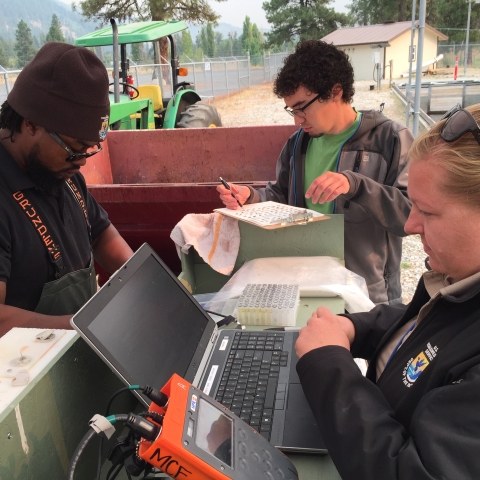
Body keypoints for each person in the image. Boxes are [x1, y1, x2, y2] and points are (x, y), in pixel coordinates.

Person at [295, 103, 480, 479]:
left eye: (427, 212)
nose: (411, 225)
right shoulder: (460, 279)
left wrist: (328, 364)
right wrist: (356, 328)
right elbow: (428, 324)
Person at [216, 40, 413, 305]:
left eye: (302, 107)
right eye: (292, 110)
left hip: (369, 296)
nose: (297, 120)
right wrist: (250, 196)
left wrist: (356, 185)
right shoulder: (298, 144)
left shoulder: (390, 139)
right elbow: (282, 196)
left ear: (335, 92)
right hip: (311, 286)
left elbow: (410, 216)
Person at [0, 42, 134, 337]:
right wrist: (86, 328)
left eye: (90, 149)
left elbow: (100, 233)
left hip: (79, 349)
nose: (82, 162)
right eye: (74, 149)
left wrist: (140, 280)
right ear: (31, 124)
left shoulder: (59, 171)